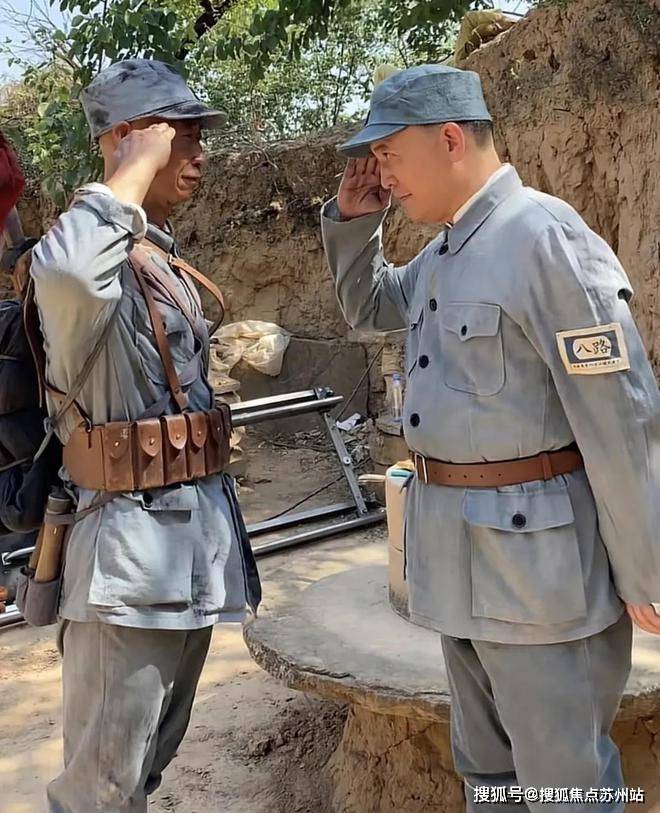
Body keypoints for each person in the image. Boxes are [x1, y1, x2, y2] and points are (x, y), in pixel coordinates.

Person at [321, 63, 660, 811]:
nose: (383, 173)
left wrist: (647, 569)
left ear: (449, 139)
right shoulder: (448, 249)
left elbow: (622, 416)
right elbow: (372, 307)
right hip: (462, 567)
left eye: (390, 154)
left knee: (565, 788)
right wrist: (352, 222)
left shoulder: (543, 237)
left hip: (540, 579)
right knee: (491, 779)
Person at [30, 58, 261, 812]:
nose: (198, 153)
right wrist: (128, 172)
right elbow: (64, 274)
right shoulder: (85, 253)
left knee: (144, 769)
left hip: (185, 554)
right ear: (128, 138)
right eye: (180, 135)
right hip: (125, 567)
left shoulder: (152, 252)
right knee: (99, 791)